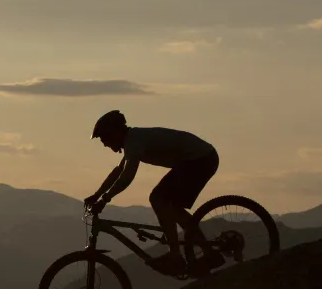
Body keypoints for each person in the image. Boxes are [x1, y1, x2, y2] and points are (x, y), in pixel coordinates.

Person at [84, 110, 224, 277]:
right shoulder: (133, 140)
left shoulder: (134, 142)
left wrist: (105, 199)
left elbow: (127, 176)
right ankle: (208, 253)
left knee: (158, 198)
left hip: (199, 159)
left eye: (104, 139)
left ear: (115, 132)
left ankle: (176, 255)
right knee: (173, 208)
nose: (104, 144)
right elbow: (118, 171)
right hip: (199, 158)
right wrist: (97, 195)